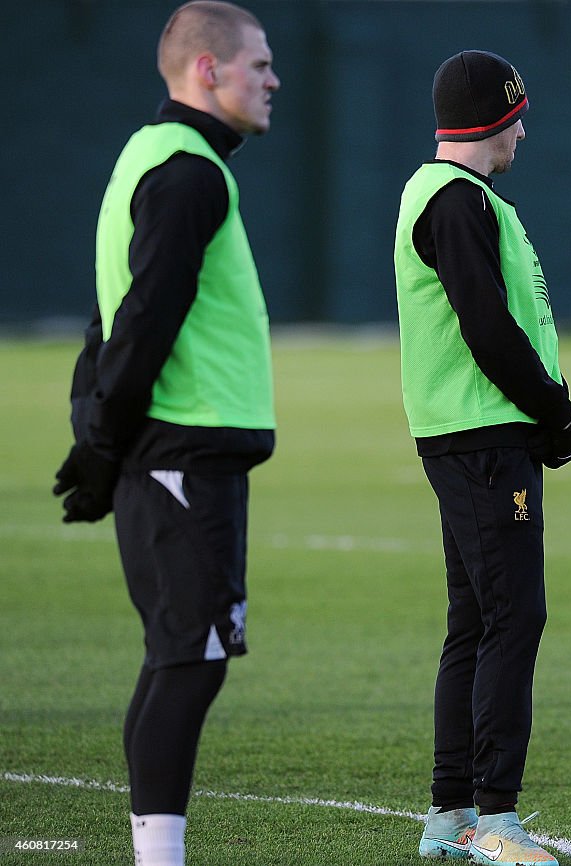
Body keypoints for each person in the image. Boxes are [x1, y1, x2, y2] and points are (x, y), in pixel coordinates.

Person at [51, 3, 279, 863]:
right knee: (192, 655)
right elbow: (143, 316)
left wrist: (98, 433)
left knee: (181, 654)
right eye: (259, 64)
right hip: (182, 449)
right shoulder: (187, 172)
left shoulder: (150, 158)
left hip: (175, 450)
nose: (274, 80)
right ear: (207, 70)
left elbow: (110, 315)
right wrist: (104, 443)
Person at [394, 49, 571, 866]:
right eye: (515, 116)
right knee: (514, 617)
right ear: (491, 120)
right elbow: (486, 325)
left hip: (469, 432)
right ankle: (495, 820)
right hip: (484, 435)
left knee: (474, 624)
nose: (523, 130)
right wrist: (554, 410)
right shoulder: (457, 200)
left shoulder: (455, 196)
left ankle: (450, 815)